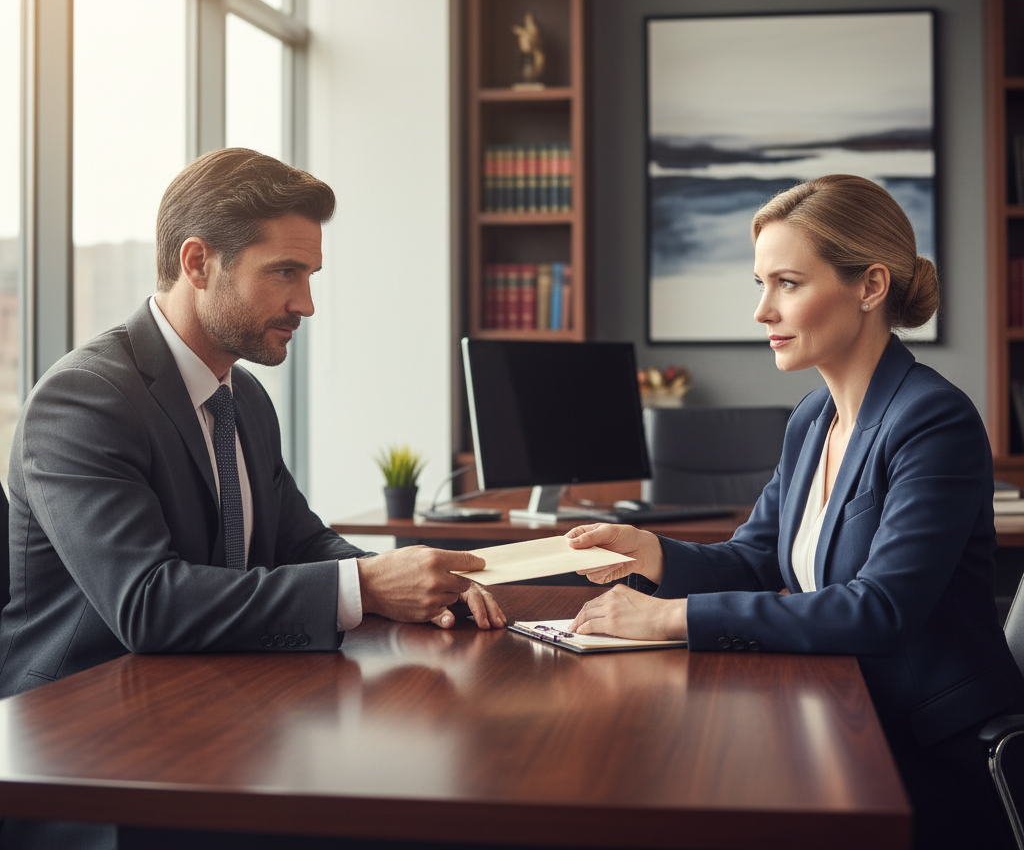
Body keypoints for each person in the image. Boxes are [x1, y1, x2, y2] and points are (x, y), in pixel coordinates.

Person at [566, 175, 1024, 849]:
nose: (762, 311)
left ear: (869, 287)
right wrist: (655, 554)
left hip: (928, 749)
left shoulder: (933, 419)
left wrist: (671, 616)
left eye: (787, 283)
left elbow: (880, 607)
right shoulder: (814, 417)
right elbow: (755, 558)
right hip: (840, 716)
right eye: (760, 284)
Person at [0, 148, 505, 696]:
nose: (307, 304)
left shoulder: (243, 399)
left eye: (310, 275)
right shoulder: (84, 400)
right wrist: (365, 586)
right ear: (197, 263)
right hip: (77, 718)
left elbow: (300, 543)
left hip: (209, 694)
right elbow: (146, 603)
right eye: (285, 272)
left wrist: (408, 583)